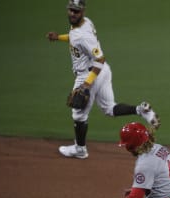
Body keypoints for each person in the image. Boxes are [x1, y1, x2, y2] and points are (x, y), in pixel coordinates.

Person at [46, 0, 160, 159]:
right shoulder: (86, 23)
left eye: (76, 11)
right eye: (71, 10)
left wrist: (86, 84)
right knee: (109, 108)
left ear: (82, 11)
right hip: (104, 71)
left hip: (90, 73)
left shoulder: (82, 35)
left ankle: (80, 149)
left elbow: (98, 58)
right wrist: (59, 37)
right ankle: (141, 110)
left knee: (79, 115)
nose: (72, 13)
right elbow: (74, 39)